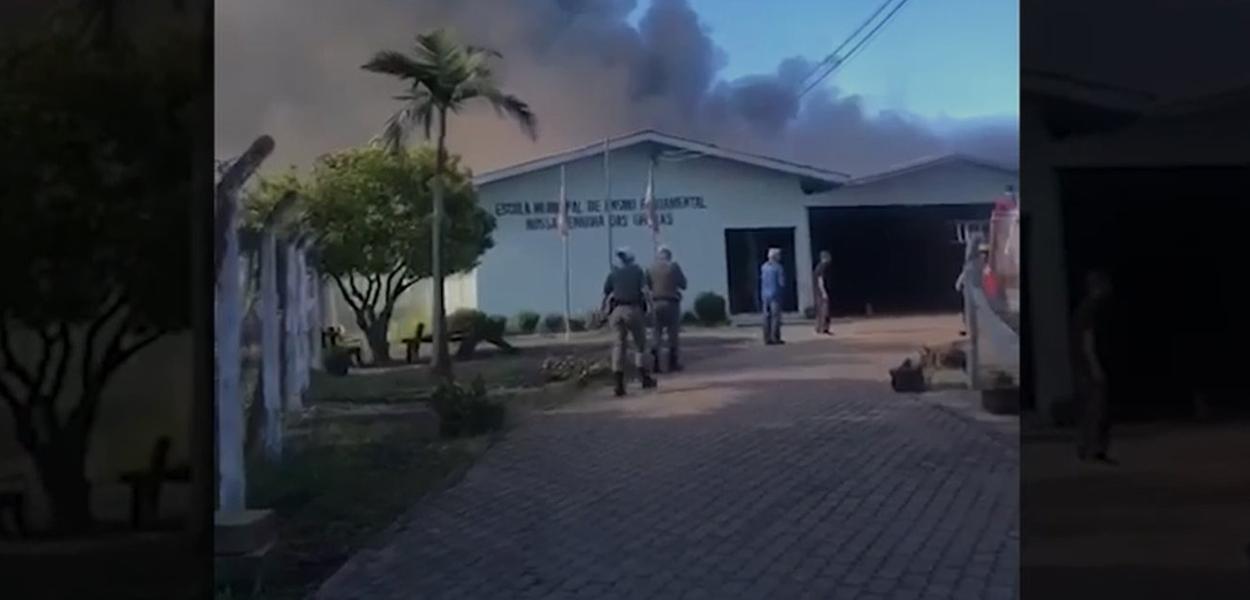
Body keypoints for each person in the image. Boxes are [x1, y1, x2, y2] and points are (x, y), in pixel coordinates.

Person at [1072, 268, 1115, 464]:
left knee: (1092, 409)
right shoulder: (1091, 310)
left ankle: (1089, 448)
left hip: (1084, 366)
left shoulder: (1085, 309)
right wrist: (1096, 366)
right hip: (1089, 367)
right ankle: (1091, 448)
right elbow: (1087, 341)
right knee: (1095, 408)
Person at [603, 247, 657, 396]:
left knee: (619, 346)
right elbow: (645, 291)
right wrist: (651, 308)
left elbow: (607, 292)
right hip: (633, 309)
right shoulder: (638, 271)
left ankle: (618, 384)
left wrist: (604, 310)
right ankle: (644, 378)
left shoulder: (613, 273)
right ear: (632, 258)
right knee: (640, 344)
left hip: (616, 311)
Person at [647, 245, 687, 373]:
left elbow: (647, 285)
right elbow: (683, 284)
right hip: (671, 302)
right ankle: (672, 363)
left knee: (656, 333)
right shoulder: (674, 267)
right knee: (672, 333)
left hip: (656, 302)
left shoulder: (650, 268)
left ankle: (656, 363)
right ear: (669, 255)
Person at [760, 247, 786, 345]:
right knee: (775, 317)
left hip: (765, 294)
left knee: (766, 316)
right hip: (775, 294)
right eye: (779, 255)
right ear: (776, 257)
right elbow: (781, 282)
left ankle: (766, 338)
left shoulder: (764, 267)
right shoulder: (778, 267)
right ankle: (775, 337)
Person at [812, 250, 834, 335]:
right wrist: (824, 292)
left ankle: (819, 328)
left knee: (820, 311)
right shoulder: (823, 267)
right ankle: (823, 328)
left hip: (817, 292)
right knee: (824, 311)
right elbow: (820, 280)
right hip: (821, 292)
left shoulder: (818, 267)